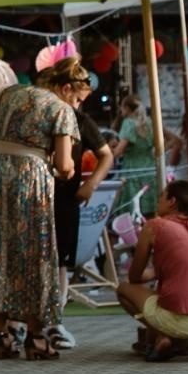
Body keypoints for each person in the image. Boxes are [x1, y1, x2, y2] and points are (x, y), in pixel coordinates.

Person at [0, 57, 80, 360]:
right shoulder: (61, 109)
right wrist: (67, 170)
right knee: (35, 253)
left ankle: (1, 336)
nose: (76, 103)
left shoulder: (10, 92)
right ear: (65, 87)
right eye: (76, 97)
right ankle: (35, 337)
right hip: (31, 179)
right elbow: (63, 165)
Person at [116, 180, 188, 362]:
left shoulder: (155, 225)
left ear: (172, 201)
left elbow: (135, 277)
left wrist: (156, 271)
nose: (158, 199)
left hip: (176, 321)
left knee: (123, 289)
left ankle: (163, 336)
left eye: (162, 195)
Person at [45, 108, 114, 350]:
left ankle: (55, 320)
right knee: (46, 261)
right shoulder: (44, 115)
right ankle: (30, 323)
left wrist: (91, 184)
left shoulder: (81, 120)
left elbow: (105, 155)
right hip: (41, 196)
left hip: (65, 198)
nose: (79, 101)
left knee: (61, 262)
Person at [114, 93, 181, 217]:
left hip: (132, 171)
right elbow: (175, 140)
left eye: (122, 107)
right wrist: (158, 150)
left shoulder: (129, 123)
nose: (121, 110)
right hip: (151, 170)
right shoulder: (151, 122)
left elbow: (118, 152)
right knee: (151, 213)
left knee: (131, 215)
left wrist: (105, 154)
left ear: (127, 108)